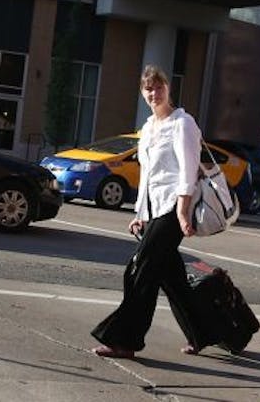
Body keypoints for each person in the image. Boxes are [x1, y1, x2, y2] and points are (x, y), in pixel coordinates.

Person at [91, 65, 202, 358]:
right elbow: (148, 174)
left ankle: (125, 341)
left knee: (139, 271)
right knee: (172, 278)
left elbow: (189, 171)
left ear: (169, 87)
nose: (154, 93)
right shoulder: (149, 127)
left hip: (173, 209)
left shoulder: (183, 123)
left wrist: (182, 211)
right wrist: (139, 212)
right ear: (142, 93)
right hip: (154, 210)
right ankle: (204, 331)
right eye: (148, 88)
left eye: (158, 86)